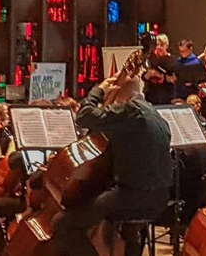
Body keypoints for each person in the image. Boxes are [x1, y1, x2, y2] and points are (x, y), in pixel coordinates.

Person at [55, 71, 173, 256]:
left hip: (132, 197)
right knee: (121, 221)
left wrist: (99, 90)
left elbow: (84, 116)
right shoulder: (157, 116)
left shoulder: (129, 111)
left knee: (63, 223)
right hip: (159, 199)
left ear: (118, 93)